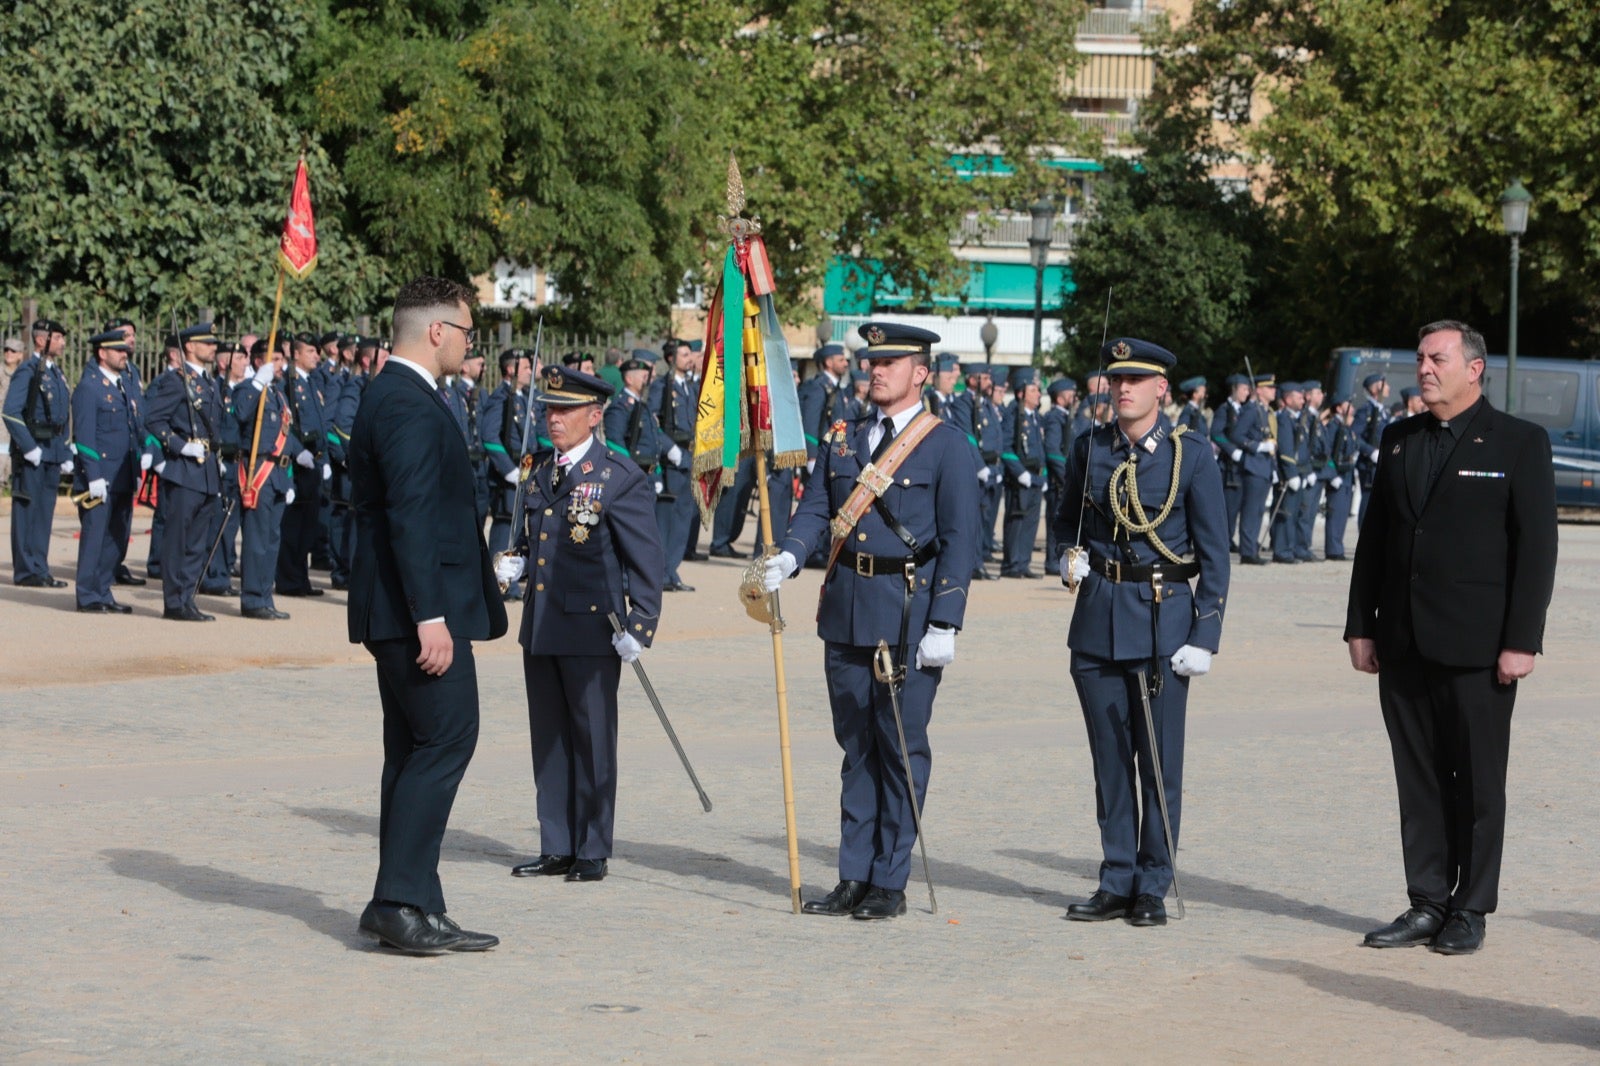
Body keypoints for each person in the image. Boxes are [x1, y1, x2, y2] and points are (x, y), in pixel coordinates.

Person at [1345, 319, 1557, 956]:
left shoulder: (1519, 442)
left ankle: (1471, 907)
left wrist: (1522, 640)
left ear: (1475, 368)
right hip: (1405, 641)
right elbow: (1376, 541)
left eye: (1437, 358)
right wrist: (1361, 625)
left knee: (1478, 783)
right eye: (1420, 359)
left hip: (1478, 648)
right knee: (1420, 779)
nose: (1425, 369)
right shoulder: (1400, 438)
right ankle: (1427, 900)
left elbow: (1536, 551)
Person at [762, 321, 978, 921]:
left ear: (921, 373)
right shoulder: (844, 437)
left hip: (907, 613)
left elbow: (960, 542)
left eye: (891, 362)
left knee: (900, 746)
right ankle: (853, 874)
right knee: (855, 747)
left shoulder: (945, 444)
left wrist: (946, 622)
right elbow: (817, 509)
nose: (875, 370)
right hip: (847, 608)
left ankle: (890, 878)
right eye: (871, 361)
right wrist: (791, 553)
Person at [347, 276, 507, 955]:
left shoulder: (402, 394)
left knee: (415, 750)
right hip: (415, 610)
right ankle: (397, 900)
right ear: (437, 331)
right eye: (468, 333)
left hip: (403, 606)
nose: (472, 347)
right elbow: (410, 516)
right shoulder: (407, 403)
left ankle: (418, 899)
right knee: (446, 740)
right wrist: (430, 617)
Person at [1054, 337, 1230, 927]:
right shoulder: (1090, 448)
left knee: (1157, 763)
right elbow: (1064, 520)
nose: (1122, 388)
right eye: (1115, 379)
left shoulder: (1191, 455)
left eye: (1135, 379)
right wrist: (1065, 556)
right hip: (1099, 619)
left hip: (1162, 622)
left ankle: (1153, 880)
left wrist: (1204, 636)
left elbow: (1214, 555)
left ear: (1162, 389)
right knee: (1109, 763)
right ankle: (1117, 876)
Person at [496, 365, 664, 883]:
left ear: (594, 415)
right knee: (548, 737)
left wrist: (641, 626)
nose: (554, 419)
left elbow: (646, 561)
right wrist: (516, 559)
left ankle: (591, 847)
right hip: (543, 624)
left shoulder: (618, 475)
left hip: (594, 628)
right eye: (550, 409)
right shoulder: (538, 469)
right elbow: (534, 535)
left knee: (592, 738)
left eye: (565, 410)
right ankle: (557, 843)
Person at [143, 324, 226, 620]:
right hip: (184, 470)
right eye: (207, 342)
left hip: (206, 472)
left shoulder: (209, 382)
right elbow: (153, 420)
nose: (213, 347)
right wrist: (179, 446)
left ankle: (188, 596)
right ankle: (174, 601)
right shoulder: (176, 381)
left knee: (197, 542)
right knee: (178, 539)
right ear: (189, 346)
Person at [70, 330, 144, 613]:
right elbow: (85, 437)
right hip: (100, 477)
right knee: (95, 537)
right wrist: (93, 475)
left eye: (125, 350)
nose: (125, 354)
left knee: (117, 537)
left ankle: (103, 590)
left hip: (122, 475)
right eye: (118, 350)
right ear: (102, 353)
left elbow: (130, 431)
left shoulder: (122, 385)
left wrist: (136, 467)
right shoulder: (90, 387)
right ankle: (88, 595)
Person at [234, 339, 299, 620]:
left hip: (278, 475)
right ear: (258, 362)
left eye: (282, 359)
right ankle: (251, 599)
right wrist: (256, 384)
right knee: (256, 541)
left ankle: (264, 595)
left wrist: (292, 476)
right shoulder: (248, 390)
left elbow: (285, 436)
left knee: (272, 541)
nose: (280, 364)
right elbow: (240, 413)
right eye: (274, 359)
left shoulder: (278, 395)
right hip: (258, 471)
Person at [5, 319, 73, 586]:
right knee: (28, 512)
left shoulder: (56, 373)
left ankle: (40, 567)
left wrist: (65, 450)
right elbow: (11, 412)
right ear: (41, 340)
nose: (62, 343)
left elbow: (62, 416)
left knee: (44, 513)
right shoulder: (28, 370)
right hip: (33, 450)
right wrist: (29, 447)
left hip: (53, 450)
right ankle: (26, 570)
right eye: (57, 338)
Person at [482, 347, 540, 601]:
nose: (530, 372)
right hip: (509, 474)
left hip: (525, 470)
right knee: (505, 525)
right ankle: (498, 583)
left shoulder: (520, 397)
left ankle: (510, 584)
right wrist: (509, 470)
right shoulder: (502, 398)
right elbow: (489, 437)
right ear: (510, 369)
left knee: (516, 530)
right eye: (527, 367)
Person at [277, 333, 332, 597]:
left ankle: (300, 578)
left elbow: (322, 424)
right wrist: (298, 452)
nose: (316, 356)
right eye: (311, 351)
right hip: (297, 465)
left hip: (314, 463)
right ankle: (288, 580)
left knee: (307, 527)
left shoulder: (311, 383)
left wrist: (327, 458)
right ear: (296, 353)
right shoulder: (288, 382)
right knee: (293, 527)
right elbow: (285, 424)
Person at [649, 339, 698, 591]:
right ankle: (662, 573)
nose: (689, 358)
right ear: (671, 358)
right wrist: (670, 450)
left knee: (684, 518)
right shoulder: (662, 386)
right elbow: (652, 423)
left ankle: (672, 570)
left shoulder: (690, 386)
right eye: (684, 354)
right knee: (668, 520)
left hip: (691, 456)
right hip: (673, 459)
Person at [1226, 373, 1276, 564]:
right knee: (1251, 510)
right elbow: (1237, 435)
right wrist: (1257, 446)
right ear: (1260, 390)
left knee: (1257, 511)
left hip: (1264, 466)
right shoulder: (1252, 410)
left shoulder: (1264, 410)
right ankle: (1247, 552)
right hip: (1253, 466)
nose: (1274, 391)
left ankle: (1251, 548)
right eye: (1270, 388)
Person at [999, 367, 1045, 578]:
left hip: (1035, 476)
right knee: (1017, 522)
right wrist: (1020, 473)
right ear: (1021, 393)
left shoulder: (1035, 417)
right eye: (1034, 389)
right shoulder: (1013, 415)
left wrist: (1042, 476)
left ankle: (1023, 563)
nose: (1038, 394)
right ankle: (1011, 564)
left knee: (1031, 524)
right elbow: (1005, 447)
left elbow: (1040, 448)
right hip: (1020, 477)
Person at [1211, 373, 1251, 552]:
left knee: (1236, 505)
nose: (1247, 393)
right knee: (1228, 506)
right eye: (1243, 389)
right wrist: (1231, 450)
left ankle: (1229, 538)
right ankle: (1223, 540)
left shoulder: (1243, 410)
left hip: (1241, 464)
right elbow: (1216, 433)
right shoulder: (1224, 410)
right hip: (1228, 465)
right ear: (1234, 389)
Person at [1042, 377, 1077, 576]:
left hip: (1066, 478)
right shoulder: (1055, 417)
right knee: (1056, 521)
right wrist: (1067, 476)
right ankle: (1053, 561)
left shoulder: (1066, 417)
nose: (1073, 396)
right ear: (1059, 396)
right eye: (1069, 393)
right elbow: (1053, 451)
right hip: (1060, 481)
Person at [1270, 380, 1308, 564]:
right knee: (1286, 513)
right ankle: (1282, 550)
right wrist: (1291, 473)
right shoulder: (1284, 418)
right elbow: (1285, 449)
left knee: (1293, 512)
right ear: (1288, 398)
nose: (1303, 399)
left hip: (1297, 472)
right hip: (1288, 474)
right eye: (1299, 396)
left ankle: (1288, 548)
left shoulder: (1295, 418)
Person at [1322, 399, 1359, 560]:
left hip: (1347, 475)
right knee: (1335, 513)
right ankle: (1333, 549)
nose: (1351, 408)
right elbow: (1328, 453)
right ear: (1338, 408)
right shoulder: (1333, 426)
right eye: (1346, 405)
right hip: (1337, 475)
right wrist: (1332, 475)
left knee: (1342, 514)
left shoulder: (1346, 427)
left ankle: (1337, 547)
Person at [1352, 372, 1390, 527]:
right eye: (1384, 384)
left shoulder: (1382, 411)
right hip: (1369, 465)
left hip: (1380, 463)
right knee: (1368, 502)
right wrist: (1370, 451)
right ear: (1375, 389)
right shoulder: (1365, 410)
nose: (1388, 388)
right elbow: (1354, 436)